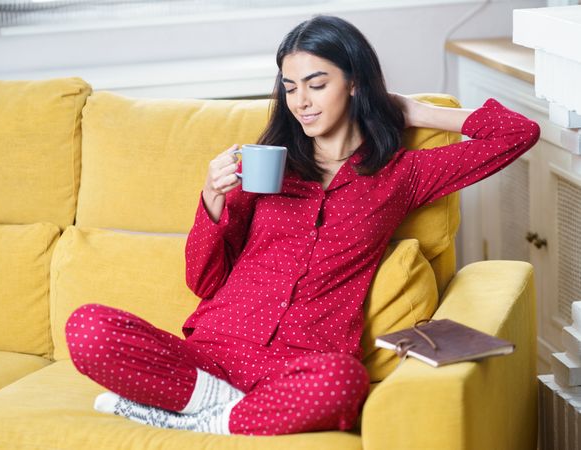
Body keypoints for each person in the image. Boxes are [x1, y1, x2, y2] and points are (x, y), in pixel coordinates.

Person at [65, 15, 540, 436]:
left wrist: (414, 110)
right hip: (213, 353)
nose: (301, 102)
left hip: (301, 364)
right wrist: (211, 198)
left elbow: (519, 133)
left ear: (355, 83)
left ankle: (200, 417)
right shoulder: (262, 167)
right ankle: (226, 411)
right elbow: (203, 281)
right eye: (290, 87)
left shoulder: (401, 175)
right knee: (87, 327)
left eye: (316, 83)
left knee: (345, 383)